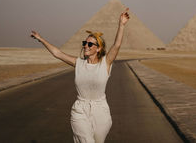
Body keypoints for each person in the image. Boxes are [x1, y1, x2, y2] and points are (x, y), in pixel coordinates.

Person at [30, 8, 130, 143]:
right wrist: (41, 39)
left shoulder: (105, 63)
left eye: (90, 44)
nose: (86, 46)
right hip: (80, 110)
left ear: (98, 48)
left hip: (101, 111)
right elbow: (58, 53)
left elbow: (116, 45)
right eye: (84, 43)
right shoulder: (78, 63)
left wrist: (121, 25)